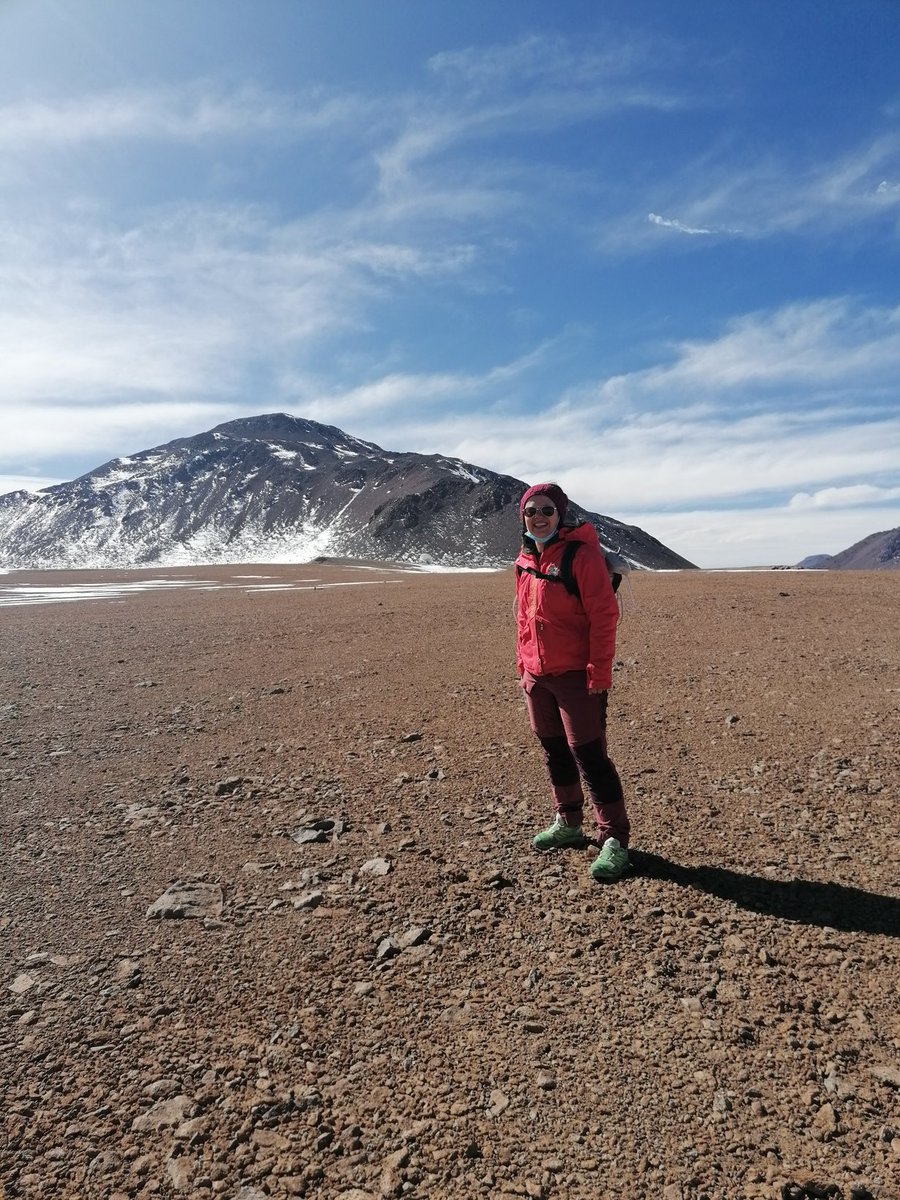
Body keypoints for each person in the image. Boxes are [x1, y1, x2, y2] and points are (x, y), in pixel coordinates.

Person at [514, 482, 630, 881]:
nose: (539, 517)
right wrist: (523, 667)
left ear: (560, 514)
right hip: (537, 677)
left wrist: (599, 671)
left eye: (546, 510)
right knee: (554, 752)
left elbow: (603, 616)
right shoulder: (525, 558)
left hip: (577, 677)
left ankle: (613, 837)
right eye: (531, 511)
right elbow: (523, 619)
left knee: (590, 755)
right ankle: (568, 823)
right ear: (523, 518)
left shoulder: (581, 556)